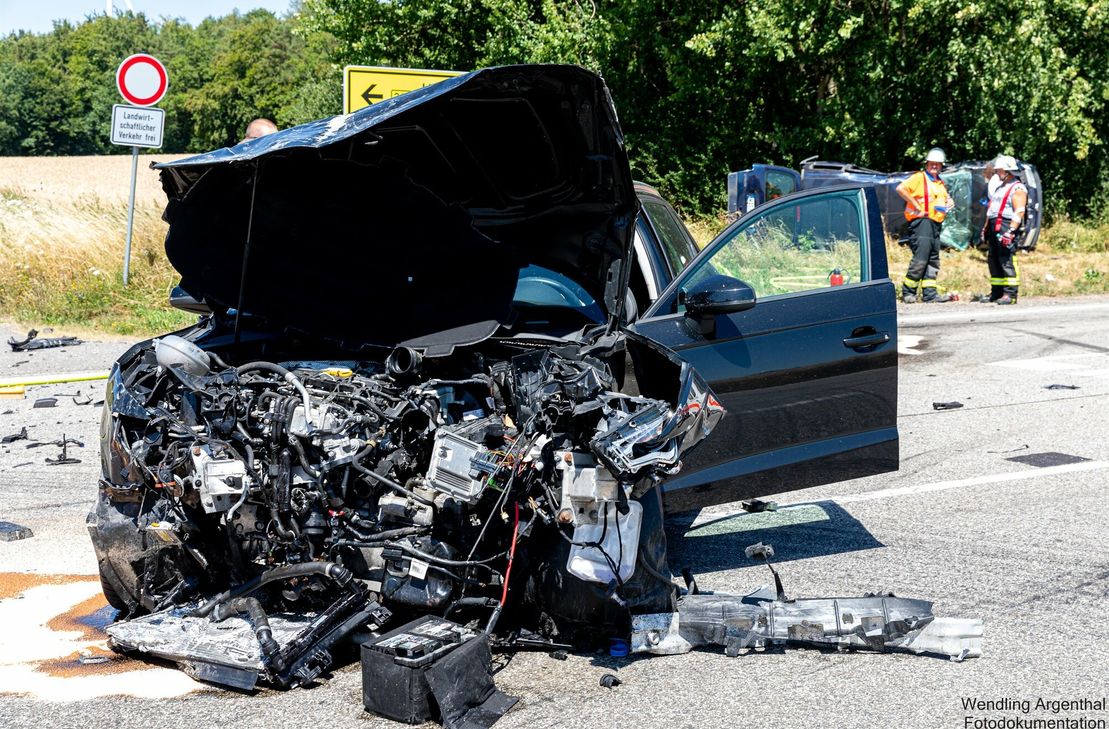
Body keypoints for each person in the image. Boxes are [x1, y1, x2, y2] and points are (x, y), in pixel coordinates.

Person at [897, 147, 956, 303]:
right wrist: (916, 205)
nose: (934, 166)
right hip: (922, 222)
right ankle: (908, 292)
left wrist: (949, 201)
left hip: (935, 223)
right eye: (932, 163)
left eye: (937, 164)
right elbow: (901, 188)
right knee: (921, 257)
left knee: (933, 258)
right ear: (927, 164)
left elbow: (943, 199)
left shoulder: (939, 182)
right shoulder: (919, 177)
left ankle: (930, 294)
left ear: (942, 165)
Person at [981, 155, 1026, 304]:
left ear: (1008, 171)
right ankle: (997, 292)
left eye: (999, 170)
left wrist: (1011, 231)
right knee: (993, 259)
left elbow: (1019, 211)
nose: (997, 173)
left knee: (1006, 259)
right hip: (995, 226)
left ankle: (1010, 294)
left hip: (1006, 225)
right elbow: (992, 209)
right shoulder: (1000, 187)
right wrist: (986, 228)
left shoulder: (1017, 187)